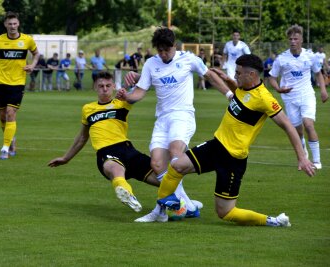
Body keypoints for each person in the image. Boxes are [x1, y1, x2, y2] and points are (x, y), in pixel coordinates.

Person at [155, 54, 316, 227]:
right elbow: (239, 94)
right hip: (216, 145)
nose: (235, 76)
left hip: (233, 159)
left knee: (225, 212)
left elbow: (288, 126)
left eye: (238, 73)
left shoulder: (264, 99)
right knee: (177, 166)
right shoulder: (243, 87)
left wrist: (302, 157)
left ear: (252, 75)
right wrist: (227, 79)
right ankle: (158, 211)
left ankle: (272, 221)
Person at [116, 27, 232, 222]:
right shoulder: (151, 64)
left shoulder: (188, 58)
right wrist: (127, 96)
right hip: (162, 119)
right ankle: (187, 205)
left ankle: (160, 209)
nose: (162, 54)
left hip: (183, 115)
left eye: (166, 50)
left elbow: (210, 75)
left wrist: (229, 95)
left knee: (176, 153)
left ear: (174, 46)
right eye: (159, 50)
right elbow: (139, 92)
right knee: (157, 164)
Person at [48, 71, 165, 213]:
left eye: (108, 85)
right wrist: (66, 158)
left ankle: (185, 204)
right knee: (116, 170)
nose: (104, 88)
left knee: (164, 179)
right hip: (106, 152)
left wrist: (134, 80)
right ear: (95, 88)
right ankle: (127, 195)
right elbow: (82, 138)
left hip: (128, 150)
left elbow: (142, 88)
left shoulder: (122, 102)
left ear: (114, 86)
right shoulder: (88, 109)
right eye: (101, 86)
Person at [0, 11, 40, 159]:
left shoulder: (27, 40)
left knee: (11, 113)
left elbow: (36, 54)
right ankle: (11, 140)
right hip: (0, 83)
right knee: (3, 117)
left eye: (15, 23)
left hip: (17, 83)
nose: (12, 26)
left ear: (18, 24)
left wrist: (33, 65)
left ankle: (5, 148)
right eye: (9, 24)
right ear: (5, 24)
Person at [269, 24, 328, 170]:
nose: (293, 41)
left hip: (307, 94)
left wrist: (323, 90)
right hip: (289, 98)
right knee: (298, 131)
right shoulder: (281, 59)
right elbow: (272, 77)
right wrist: (278, 89)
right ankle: (303, 155)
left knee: (308, 124)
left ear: (301, 39)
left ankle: (317, 161)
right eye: (290, 39)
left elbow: (318, 73)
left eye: (295, 38)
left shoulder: (310, 56)